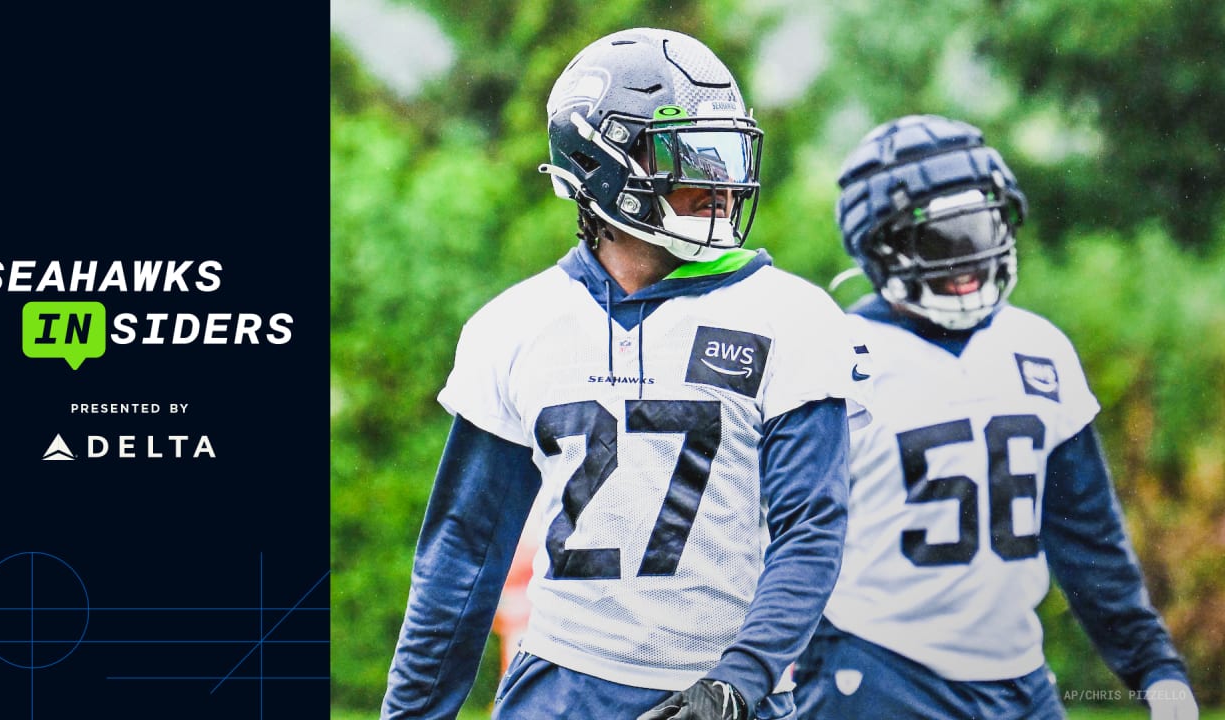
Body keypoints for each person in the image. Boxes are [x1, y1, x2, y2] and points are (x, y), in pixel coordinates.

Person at [380, 27, 869, 720]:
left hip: (730, 695)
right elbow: (463, 558)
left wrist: (737, 682)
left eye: (728, 152)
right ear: (599, 162)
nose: (722, 181)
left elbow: (811, 531)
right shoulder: (516, 325)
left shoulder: (790, 316)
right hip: (558, 690)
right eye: (690, 153)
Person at [790, 113, 1198, 720]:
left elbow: (1086, 537)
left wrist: (1154, 666)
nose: (967, 258)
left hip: (1018, 676)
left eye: (982, 229)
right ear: (881, 246)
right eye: (940, 239)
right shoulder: (836, 359)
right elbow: (782, 535)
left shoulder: (1041, 349)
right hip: (876, 670)